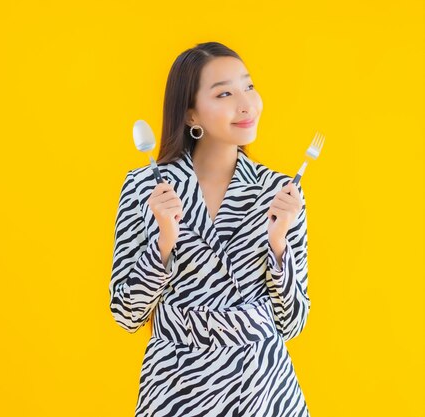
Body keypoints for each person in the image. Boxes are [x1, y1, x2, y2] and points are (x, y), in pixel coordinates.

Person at [109, 42, 312, 417]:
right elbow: (126, 313)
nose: (246, 104)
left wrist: (279, 244)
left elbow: (292, 323)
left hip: (263, 386)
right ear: (190, 115)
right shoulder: (145, 187)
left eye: (249, 87)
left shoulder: (280, 192)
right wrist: (164, 243)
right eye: (224, 93)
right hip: (175, 384)